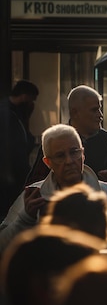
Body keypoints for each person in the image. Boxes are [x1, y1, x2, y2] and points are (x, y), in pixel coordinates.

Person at [0, 124, 107, 261]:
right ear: (48, 162)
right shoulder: (33, 196)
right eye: (60, 156)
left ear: (83, 154)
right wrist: (25, 219)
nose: (69, 161)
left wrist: (98, 228)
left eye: (74, 152)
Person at [0, 80, 39, 220]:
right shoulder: (6, 113)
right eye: (30, 99)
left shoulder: (18, 112)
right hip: (9, 172)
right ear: (24, 96)